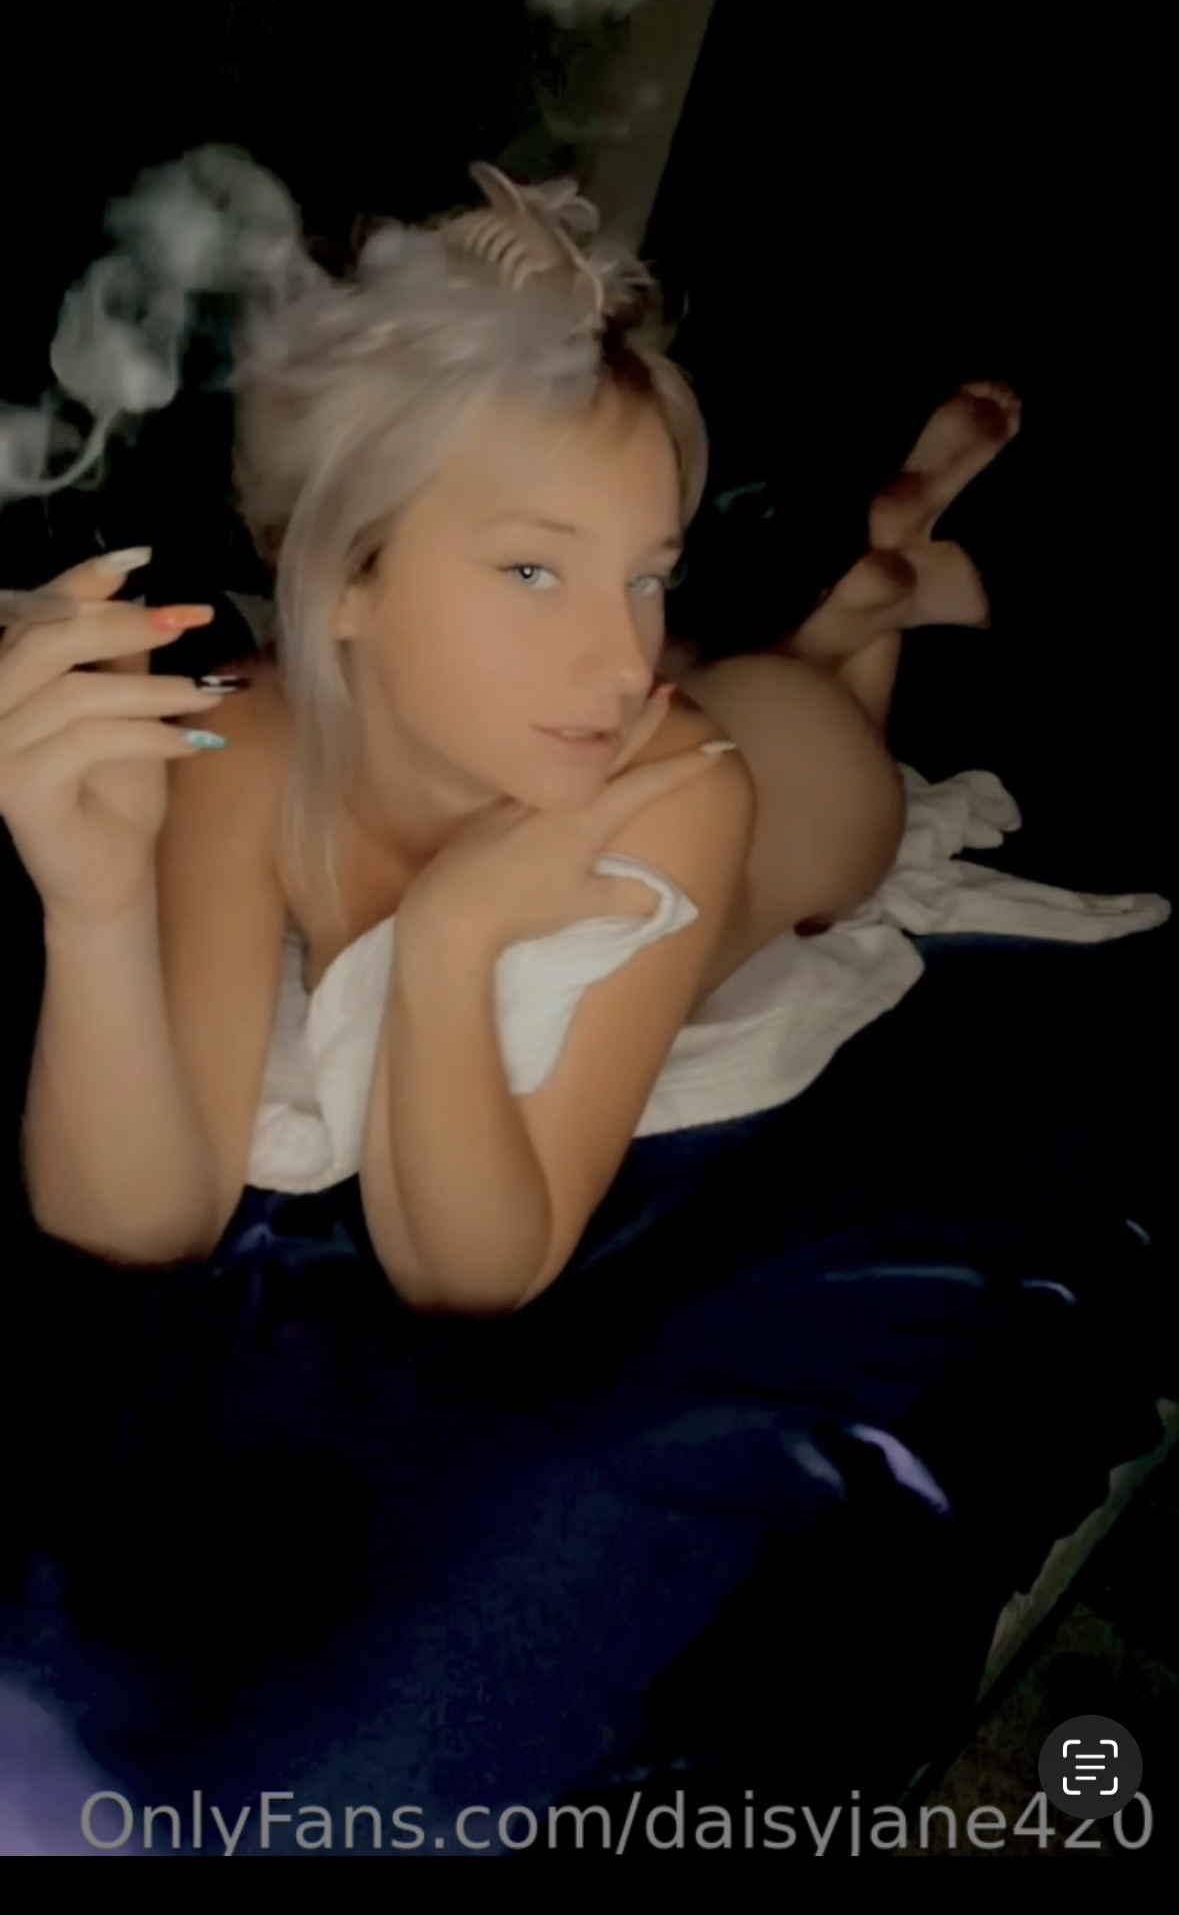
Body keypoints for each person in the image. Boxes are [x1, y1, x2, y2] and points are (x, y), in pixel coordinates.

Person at [2, 165, 1019, 1318]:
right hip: (607, 721)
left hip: (796, 772)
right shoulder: (244, 739)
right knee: (696, 677)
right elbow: (146, 1219)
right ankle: (863, 594)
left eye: (648, 575)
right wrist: (94, 911)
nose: (623, 657)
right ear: (342, 576)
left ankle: (869, 613)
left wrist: (449, 941)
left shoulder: (677, 797)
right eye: (534, 570)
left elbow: (476, 1271)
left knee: (824, 736)